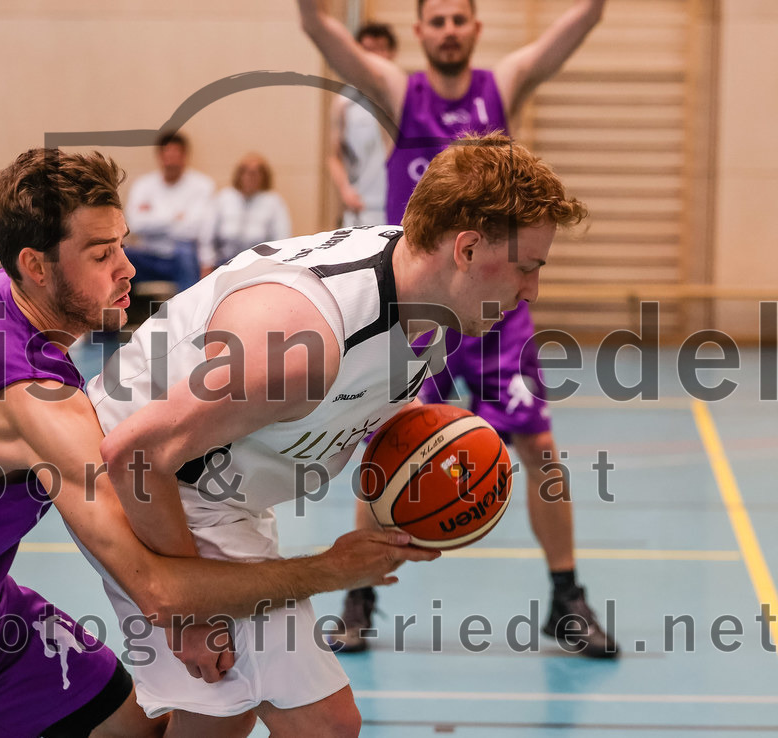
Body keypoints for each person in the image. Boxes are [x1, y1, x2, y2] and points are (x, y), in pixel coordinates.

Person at [0, 148, 440, 738]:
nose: (126, 268)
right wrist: (329, 570)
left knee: (138, 727)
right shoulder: (38, 403)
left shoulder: (1, 297)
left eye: (122, 245)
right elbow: (157, 589)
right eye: (102, 253)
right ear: (36, 263)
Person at [89, 133, 586, 736]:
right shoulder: (300, 344)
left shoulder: (433, 295)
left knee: (220, 716)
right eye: (528, 267)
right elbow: (134, 455)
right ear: (468, 247)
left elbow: (364, 401)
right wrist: (184, 614)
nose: (532, 290)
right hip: (144, 482)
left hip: (216, 482)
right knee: (321, 723)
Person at [298, 0, 617, 658]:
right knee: (388, 452)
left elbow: (576, 28)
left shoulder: (501, 87)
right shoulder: (397, 90)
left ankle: (566, 597)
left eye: (458, 19)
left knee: (541, 453)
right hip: (420, 312)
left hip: (498, 311)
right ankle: (360, 597)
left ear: (475, 28)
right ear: (420, 31)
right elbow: (320, 33)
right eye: (436, 20)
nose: (447, 30)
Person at [125, 131, 215, 292]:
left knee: (185, 250)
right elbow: (135, 225)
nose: (171, 159)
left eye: (176, 153)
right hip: (148, 255)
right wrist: (175, 217)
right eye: (167, 153)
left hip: (180, 258)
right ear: (159, 155)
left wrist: (153, 218)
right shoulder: (143, 185)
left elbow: (193, 229)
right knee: (120, 255)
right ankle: (120, 314)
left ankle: (188, 312)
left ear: (185, 155)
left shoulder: (202, 185)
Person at [327, 22, 397, 227]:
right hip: (362, 209)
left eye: (380, 49)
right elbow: (334, 156)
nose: (373, 57)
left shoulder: (405, 96)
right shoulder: (343, 103)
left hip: (401, 206)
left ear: (391, 53)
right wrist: (344, 190)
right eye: (367, 50)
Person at [198, 153, 291, 275]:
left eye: (257, 172)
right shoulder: (224, 197)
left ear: (264, 176)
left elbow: (282, 239)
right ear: (239, 174)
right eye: (246, 171)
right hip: (224, 261)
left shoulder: (274, 202)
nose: (251, 176)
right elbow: (207, 235)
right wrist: (206, 263)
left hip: (258, 263)